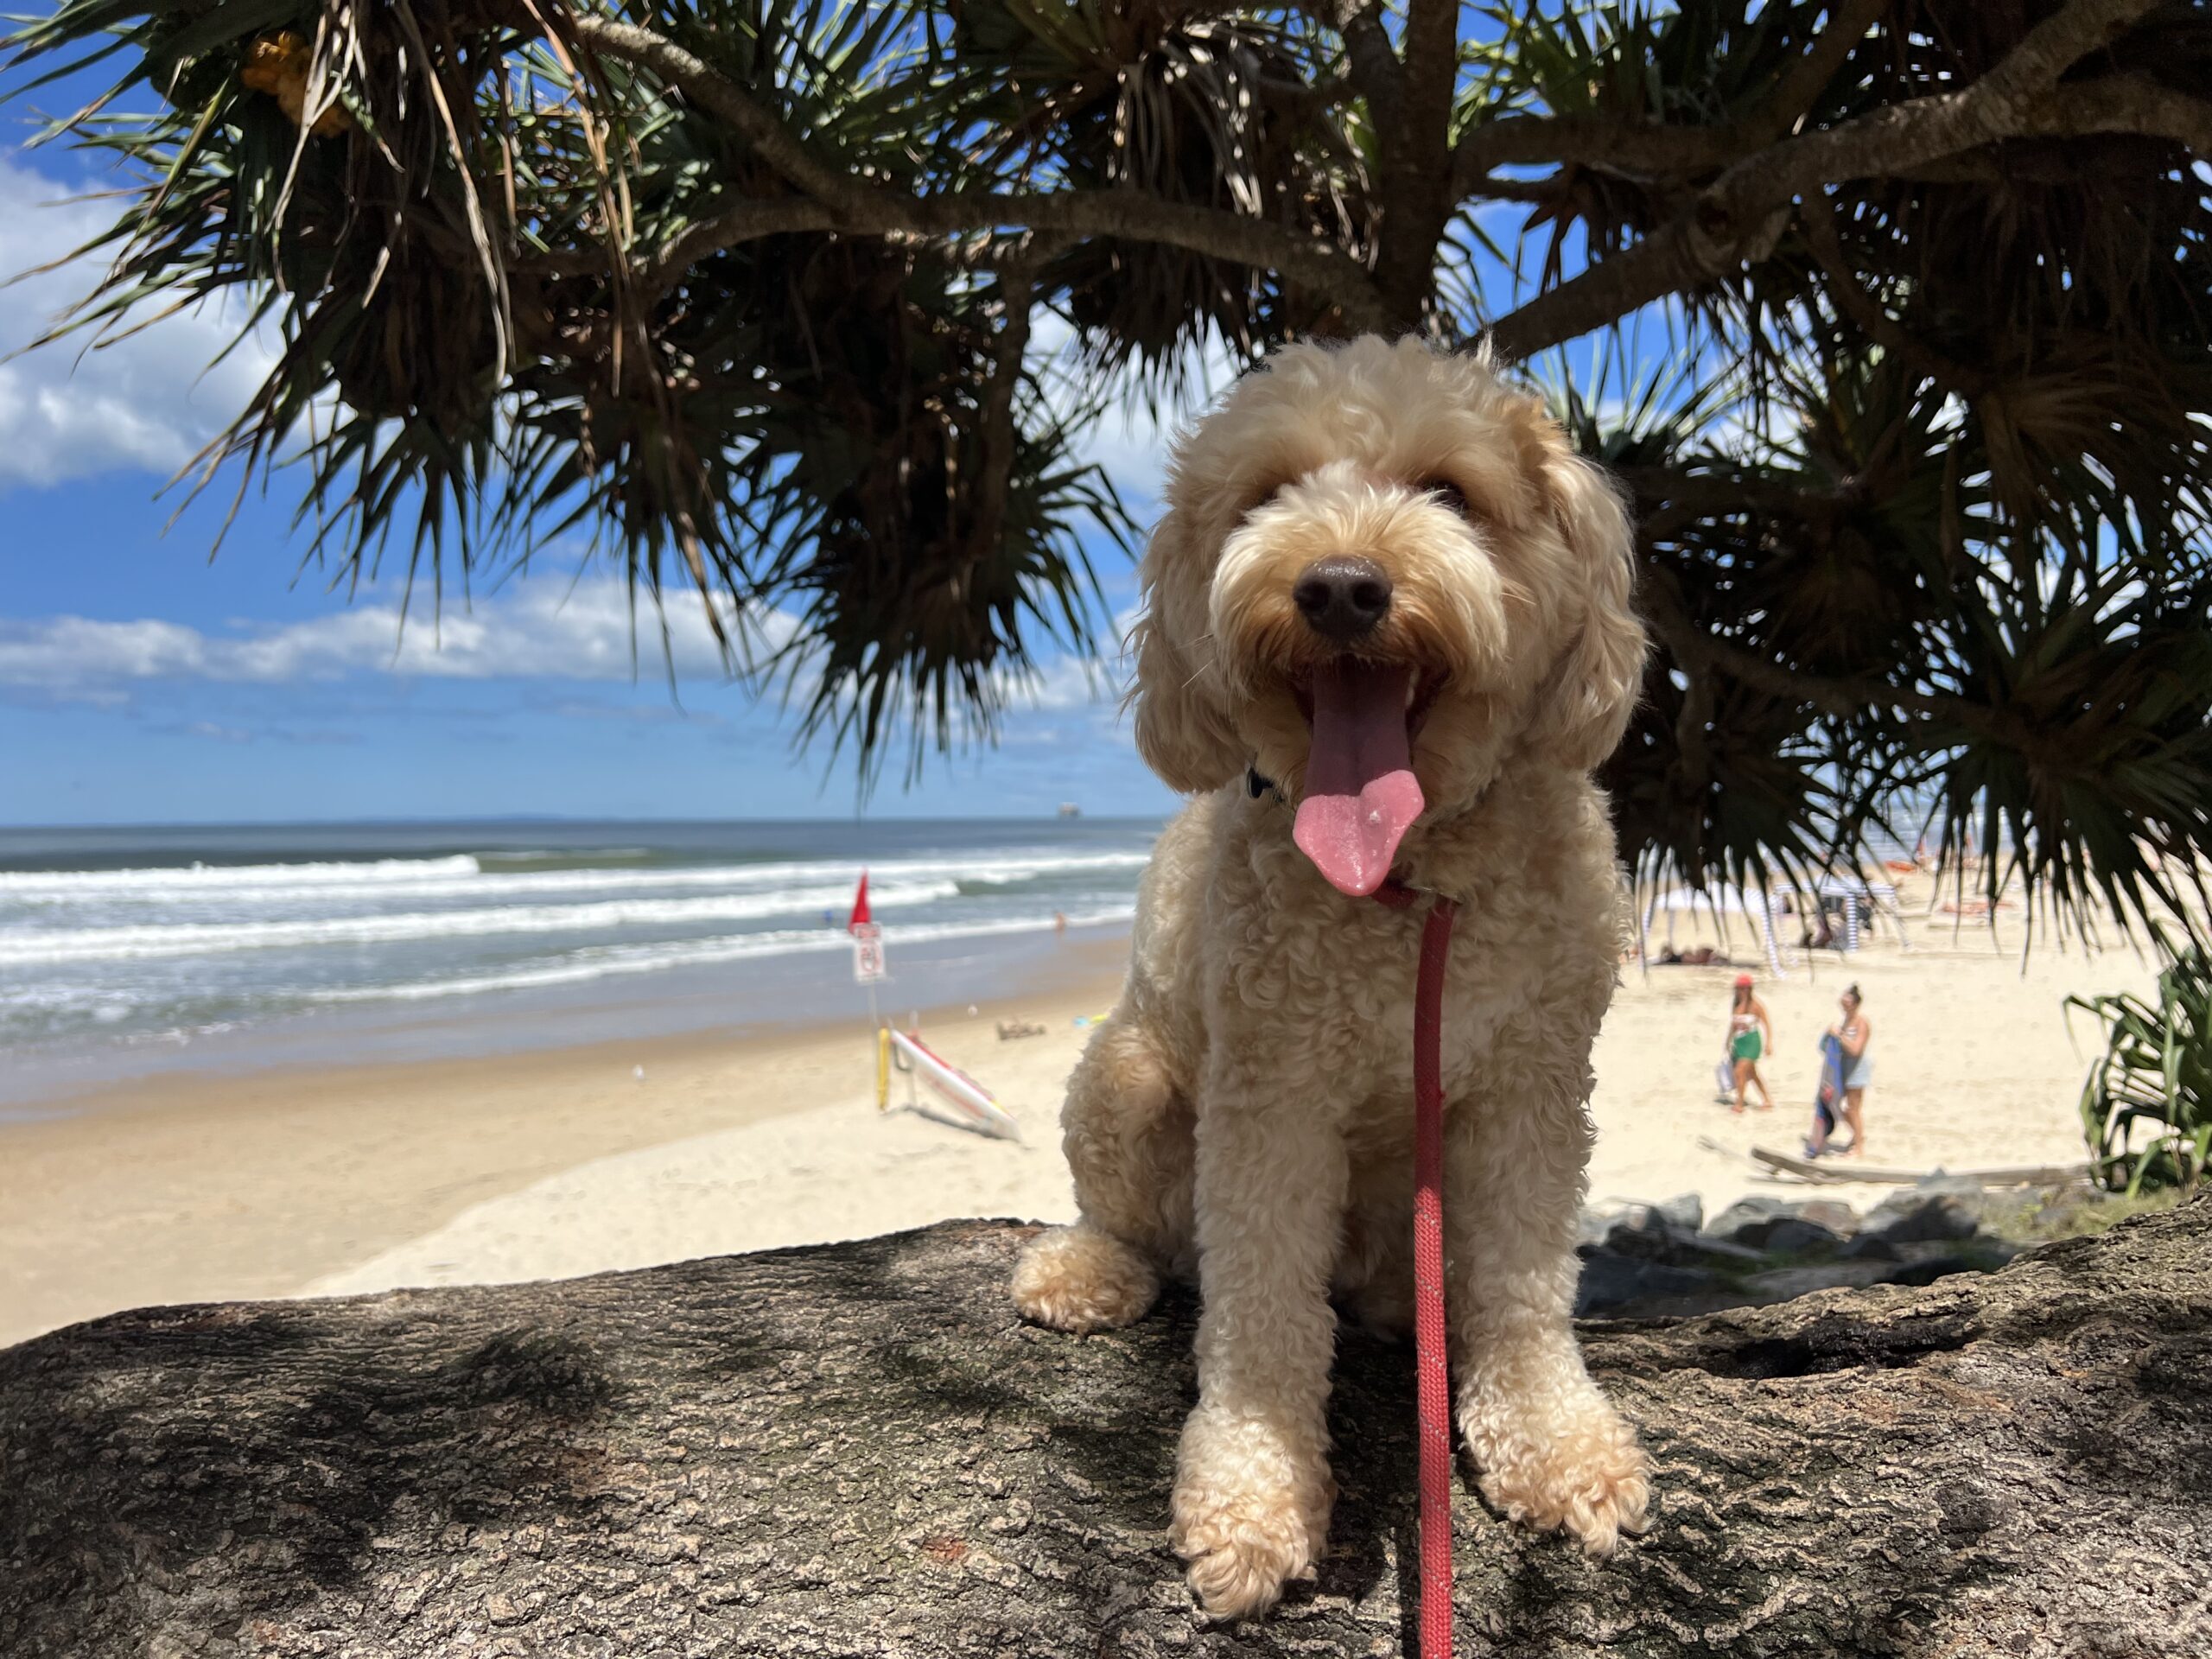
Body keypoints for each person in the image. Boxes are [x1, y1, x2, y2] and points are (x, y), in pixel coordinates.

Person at [1826, 984, 1873, 1155]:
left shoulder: (1862, 1023)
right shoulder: (1846, 1020)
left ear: (1855, 1004)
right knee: (1835, 1104)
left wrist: (1839, 1035)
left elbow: (1856, 1049)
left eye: (1847, 999)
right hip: (1844, 1068)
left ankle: (1859, 1146)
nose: (1843, 1001)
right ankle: (1857, 1136)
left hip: (1857, 1069)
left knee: (1853, 1108)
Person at [1725, 973, 1774, 1114]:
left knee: (1739, 1071)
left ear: (1749, 989)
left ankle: (1739, 1104)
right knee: (1752, 1074)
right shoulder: (1736, 1004)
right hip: (1739, 1042)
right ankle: (1767, 1099)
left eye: (1743, 988)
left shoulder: (1755, 1005)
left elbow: (1766, 1024)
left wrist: (1768, 1043)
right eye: (1738, 988)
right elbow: (1733, 1025)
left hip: (1752, 1042)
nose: (1740, 991)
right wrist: (1728, 1041)